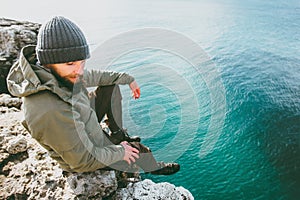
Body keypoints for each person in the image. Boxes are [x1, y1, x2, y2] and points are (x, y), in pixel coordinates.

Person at [6, 16, 179, 175]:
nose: (80, 71)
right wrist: (121, 151)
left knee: (109, 85)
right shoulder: (48, 109)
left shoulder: (59, 74)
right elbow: (82, 161)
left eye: (82, 62)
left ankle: (117, 133)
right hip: (87, 153)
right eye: (71, 63)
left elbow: (96, 76)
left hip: (84, 121)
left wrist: (128, 79)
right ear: (47, 62)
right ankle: (154, 167)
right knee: (137, 149)